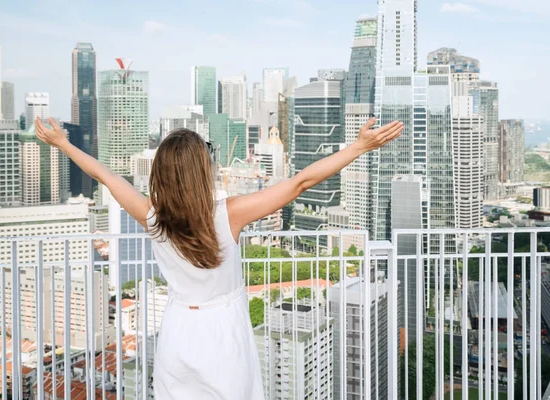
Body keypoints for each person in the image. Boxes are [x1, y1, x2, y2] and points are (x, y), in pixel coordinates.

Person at [35, 116, 403, 400]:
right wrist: (357, 147)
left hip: (178, 329)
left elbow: (104, 174)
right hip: (222, 329)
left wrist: (63, 143)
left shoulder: (151, 214)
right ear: (203, 170)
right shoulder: (229, 213)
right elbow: (299, 183)